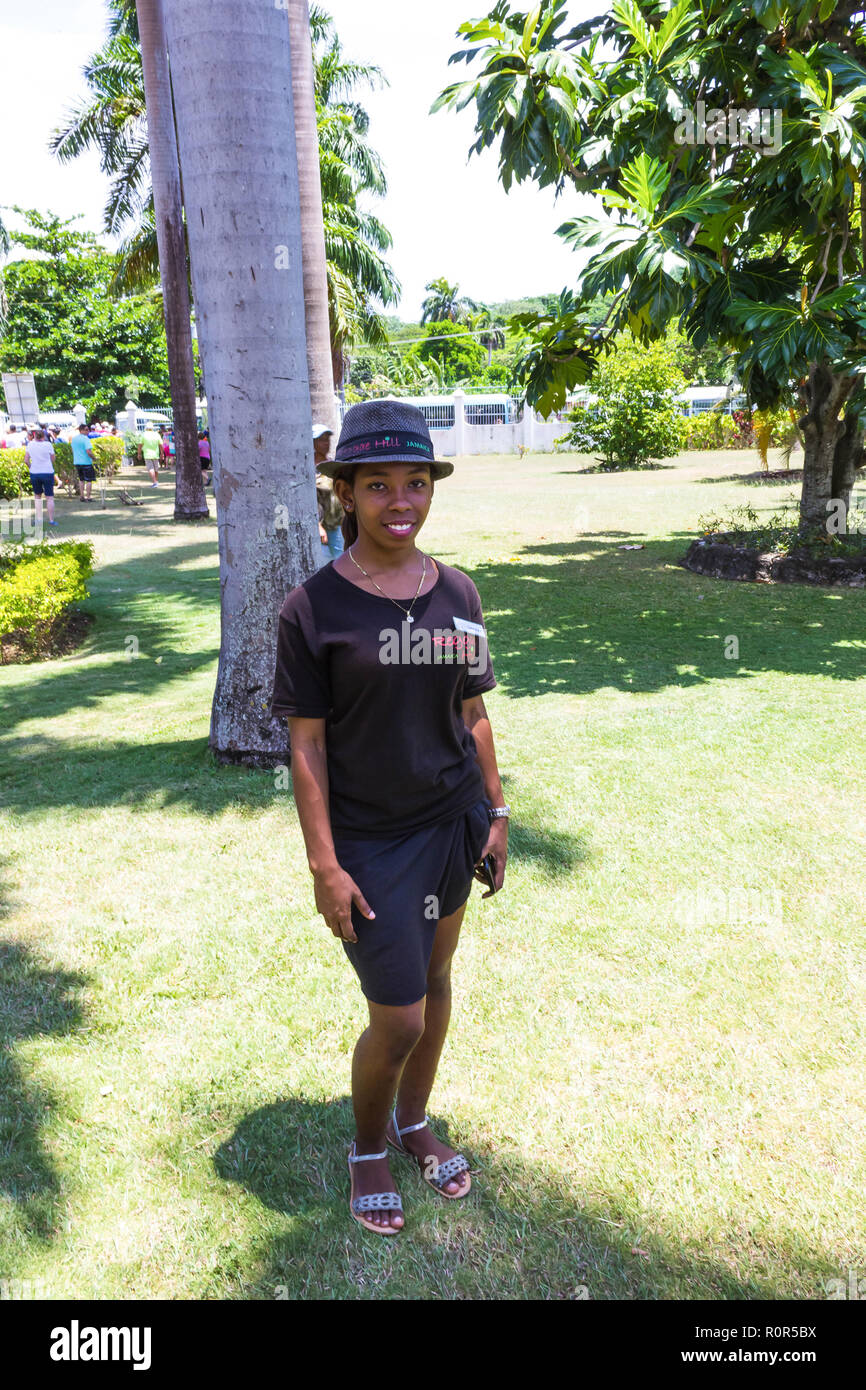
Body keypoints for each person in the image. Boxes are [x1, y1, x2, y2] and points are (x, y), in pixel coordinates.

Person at [271, 399, 509, 1236]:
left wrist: (497, 811)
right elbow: (307, 748)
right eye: (378, 485)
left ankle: (414, 1123)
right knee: (398, 1010)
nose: (400, 501)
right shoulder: (313, 610)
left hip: (452, 821)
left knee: (438, 984)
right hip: (370, 839)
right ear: (345, 494)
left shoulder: (458, 592)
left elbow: (473, 712)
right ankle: (368, 1145)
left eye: (416, 482)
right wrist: (325, 865)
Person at [312, 423, 344, 566]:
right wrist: (318, 526)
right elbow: (310, 501)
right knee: (329, 564)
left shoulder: (332, 464)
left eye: (327, 439)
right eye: (321, 440)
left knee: (342, 561)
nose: (326, 443)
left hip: (339, 523)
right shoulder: (309, 468)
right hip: (324, 527)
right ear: (312, 442)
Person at [24, 428, 58, 527]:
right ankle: (51, 520)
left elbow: (26, 460)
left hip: (35, 473)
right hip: (47, 472)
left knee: (37, 496)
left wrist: (32, 467)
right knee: (49, 497)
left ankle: (39, 519)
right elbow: (53, 458)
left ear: (34, 436)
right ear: (43, 436)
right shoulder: (48, 445)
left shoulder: (30, 445)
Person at [71, 422, 97, 502]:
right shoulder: (86, 439)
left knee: (81, 479)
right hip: (86, 462)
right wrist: (94, 458)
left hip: (77, 462)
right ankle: (88, 497)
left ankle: (82, 496)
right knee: (89, 480)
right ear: (81, 430)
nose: (88, 431)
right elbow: (88, 451)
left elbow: (72, 450)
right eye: (86, 430)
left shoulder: (74, 439)